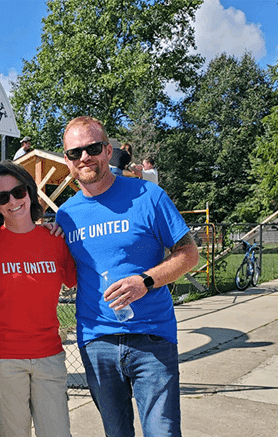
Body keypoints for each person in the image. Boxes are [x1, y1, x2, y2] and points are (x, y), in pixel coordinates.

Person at [55, 116, 199, 437]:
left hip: (152, 338)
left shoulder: (148, 196)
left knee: (162, 432)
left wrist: (145, 281)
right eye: (75, 152)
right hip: (97, 343)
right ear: (67, 160)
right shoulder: (65, 215)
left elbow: (189, 254)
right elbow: (61, 273)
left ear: (108, 150)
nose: (84, 158)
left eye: (92, 148)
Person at [0, 162, 77, 437]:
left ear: (30, 192)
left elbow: (81, 278)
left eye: (18, 192)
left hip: (48, 355)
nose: (13, 201)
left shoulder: (56, 240)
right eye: (2, 197)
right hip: (0, 358)